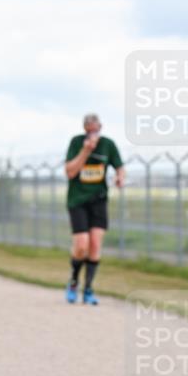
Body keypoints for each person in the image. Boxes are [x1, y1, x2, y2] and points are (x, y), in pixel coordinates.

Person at [63, 113, 124, 305]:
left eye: (95, 130)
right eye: (89, 130)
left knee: (95, 244)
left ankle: (88, 288)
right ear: (84, 129)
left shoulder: (108, 144)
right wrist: (85, 151)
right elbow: (70, 171)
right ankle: (73, 281)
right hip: (77, 200)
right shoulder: (76, 143)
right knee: (82, 245)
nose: (92, 133)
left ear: (100, 127)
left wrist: (119, 177)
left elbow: (119, 167)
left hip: (98, 200)